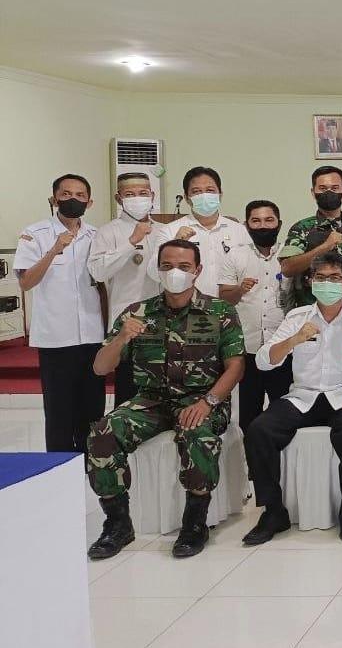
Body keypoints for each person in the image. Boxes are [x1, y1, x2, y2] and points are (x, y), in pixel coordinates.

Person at [85, 239, 245, 559]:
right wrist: (121, 338)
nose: (175, 272)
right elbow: (100, 367)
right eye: (168, 266)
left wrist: (208, 402)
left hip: (201, 398)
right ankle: (117, 523)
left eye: (184, 267)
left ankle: (195, 523)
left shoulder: (220, 312)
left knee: (197, 434)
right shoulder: (137, 312)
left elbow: (236, 367)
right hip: (152, 401)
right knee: (102, 432)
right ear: (158, 270)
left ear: (197, 270)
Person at [241, 251, 342, 544]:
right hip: (303, 396)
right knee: (259, 430)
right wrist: (293, 340)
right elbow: (263, 361)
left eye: (335, 278)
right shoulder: (296, 318)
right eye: (321, 278)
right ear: (310, 282)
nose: (327, 284)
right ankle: (273, 512)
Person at [16, 174, 106, 452]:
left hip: (91, 334)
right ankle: (59, 465)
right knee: (59, 411)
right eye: (66, 194)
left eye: (80, 195)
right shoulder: (36, 233)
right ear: (54, 199)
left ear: (89, 202)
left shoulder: (96, 236)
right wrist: (54, 250)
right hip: (55, 337)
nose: (73, 199)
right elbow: (26, 282)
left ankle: (92, 461)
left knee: (92, 408)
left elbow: (103, 284)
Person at [218, 200, 291, 453]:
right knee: (249, 410)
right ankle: (252, 461)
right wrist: (239, 290)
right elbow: (224, 297)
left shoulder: (290, 256)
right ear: (246, 225)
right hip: (247, 346)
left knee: (283, 407)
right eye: (256, 221)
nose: (263, 226)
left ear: (279, 223)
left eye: (269, 220)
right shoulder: (235, 255)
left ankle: (281, 457)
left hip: (283, 347)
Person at [88, 173, 165, 404]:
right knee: (129, 392)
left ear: (152, 196)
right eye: (130, 194)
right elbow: (98, 272)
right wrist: (131, 242)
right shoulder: (108, 231)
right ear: (118, 198)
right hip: (127, 322)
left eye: (143, 193)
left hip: (163, 321)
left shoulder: (165, 230)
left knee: (163, 391)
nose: (137, 198)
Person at [152, 167, 253, 298]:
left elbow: (252, 271)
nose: (204, 196)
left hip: (231, 305)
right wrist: (176, 243)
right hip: (189, 305)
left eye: (210, 190)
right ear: (187, 198)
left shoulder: (239, 230)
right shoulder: (169, 230)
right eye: (196, 192)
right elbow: (154, 274)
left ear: (220, 194)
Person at [280, 166, 342, 308]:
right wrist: (325, 247)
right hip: (312, 311)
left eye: (335, 188)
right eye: (322, 188)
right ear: (313, 192)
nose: (328, 192)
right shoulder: (302, 228)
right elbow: (287, 268)